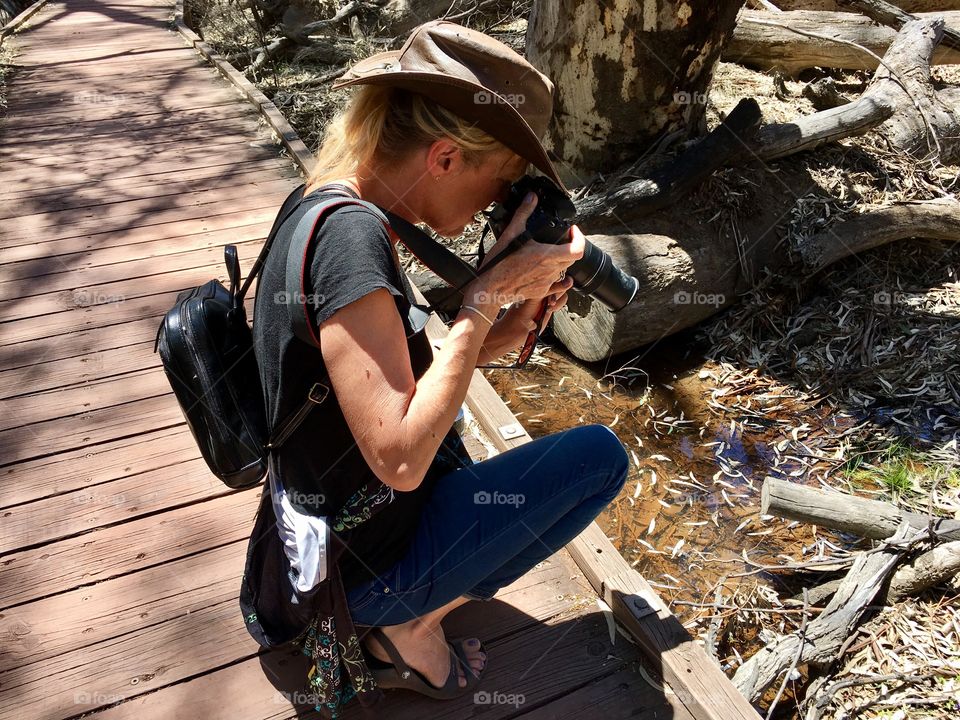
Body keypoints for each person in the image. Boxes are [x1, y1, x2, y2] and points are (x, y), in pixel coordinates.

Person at [246, 18, 629, 718]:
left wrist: (492, 325)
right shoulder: (350, 244)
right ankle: (404, 622)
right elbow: (397, 459)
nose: (494, 207)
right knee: (599, 458)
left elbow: (377, 387)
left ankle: (402, 607)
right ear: (446, 158)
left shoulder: (325, 203)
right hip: (353, 569)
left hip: (314, 544)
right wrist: (481, 299)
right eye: (501, 183)